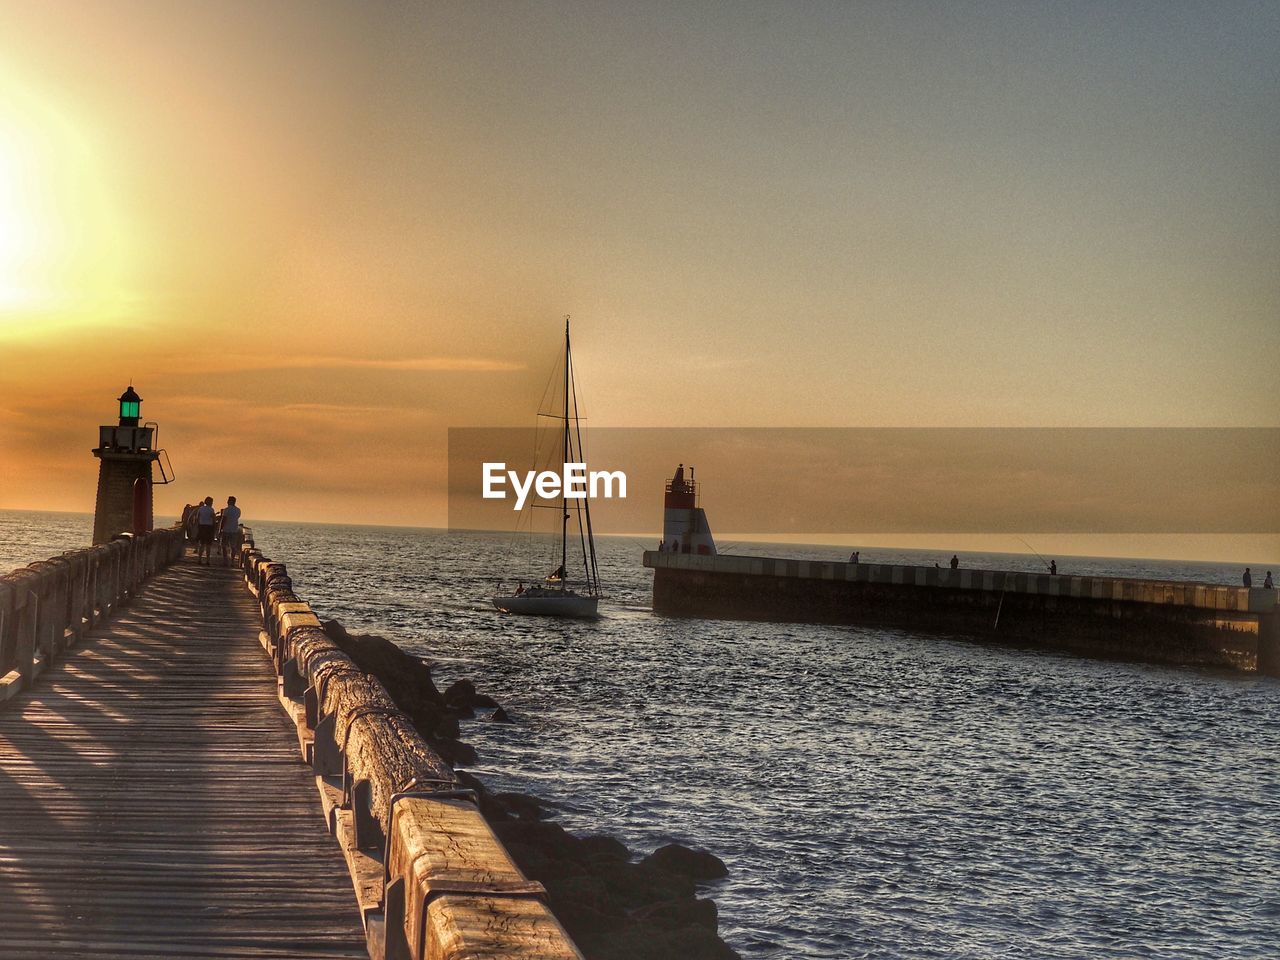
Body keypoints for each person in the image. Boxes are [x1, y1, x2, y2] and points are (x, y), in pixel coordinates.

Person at [218, 496, 243, 566]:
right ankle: (232, 561)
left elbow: (223, 520)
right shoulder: (238, 510)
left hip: (226, 530)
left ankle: (225, 561)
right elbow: (237, 518)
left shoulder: (226, 510)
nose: (227, 501)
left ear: (230, 501)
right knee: (233, 546)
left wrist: (220, 529)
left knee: (224, 546)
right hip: (234, 530)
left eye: (228, 500)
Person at [194, 497, 216, 565]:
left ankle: (199, 559)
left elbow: (197, 518)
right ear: (210, 502)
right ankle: (208, 561)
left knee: (201, 544)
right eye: (212, 502)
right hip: (209, 528)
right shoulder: (211, 510)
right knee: (208, 545)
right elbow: (214, 519)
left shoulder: (201, 509)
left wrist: (197, 527)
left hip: (201, 527)